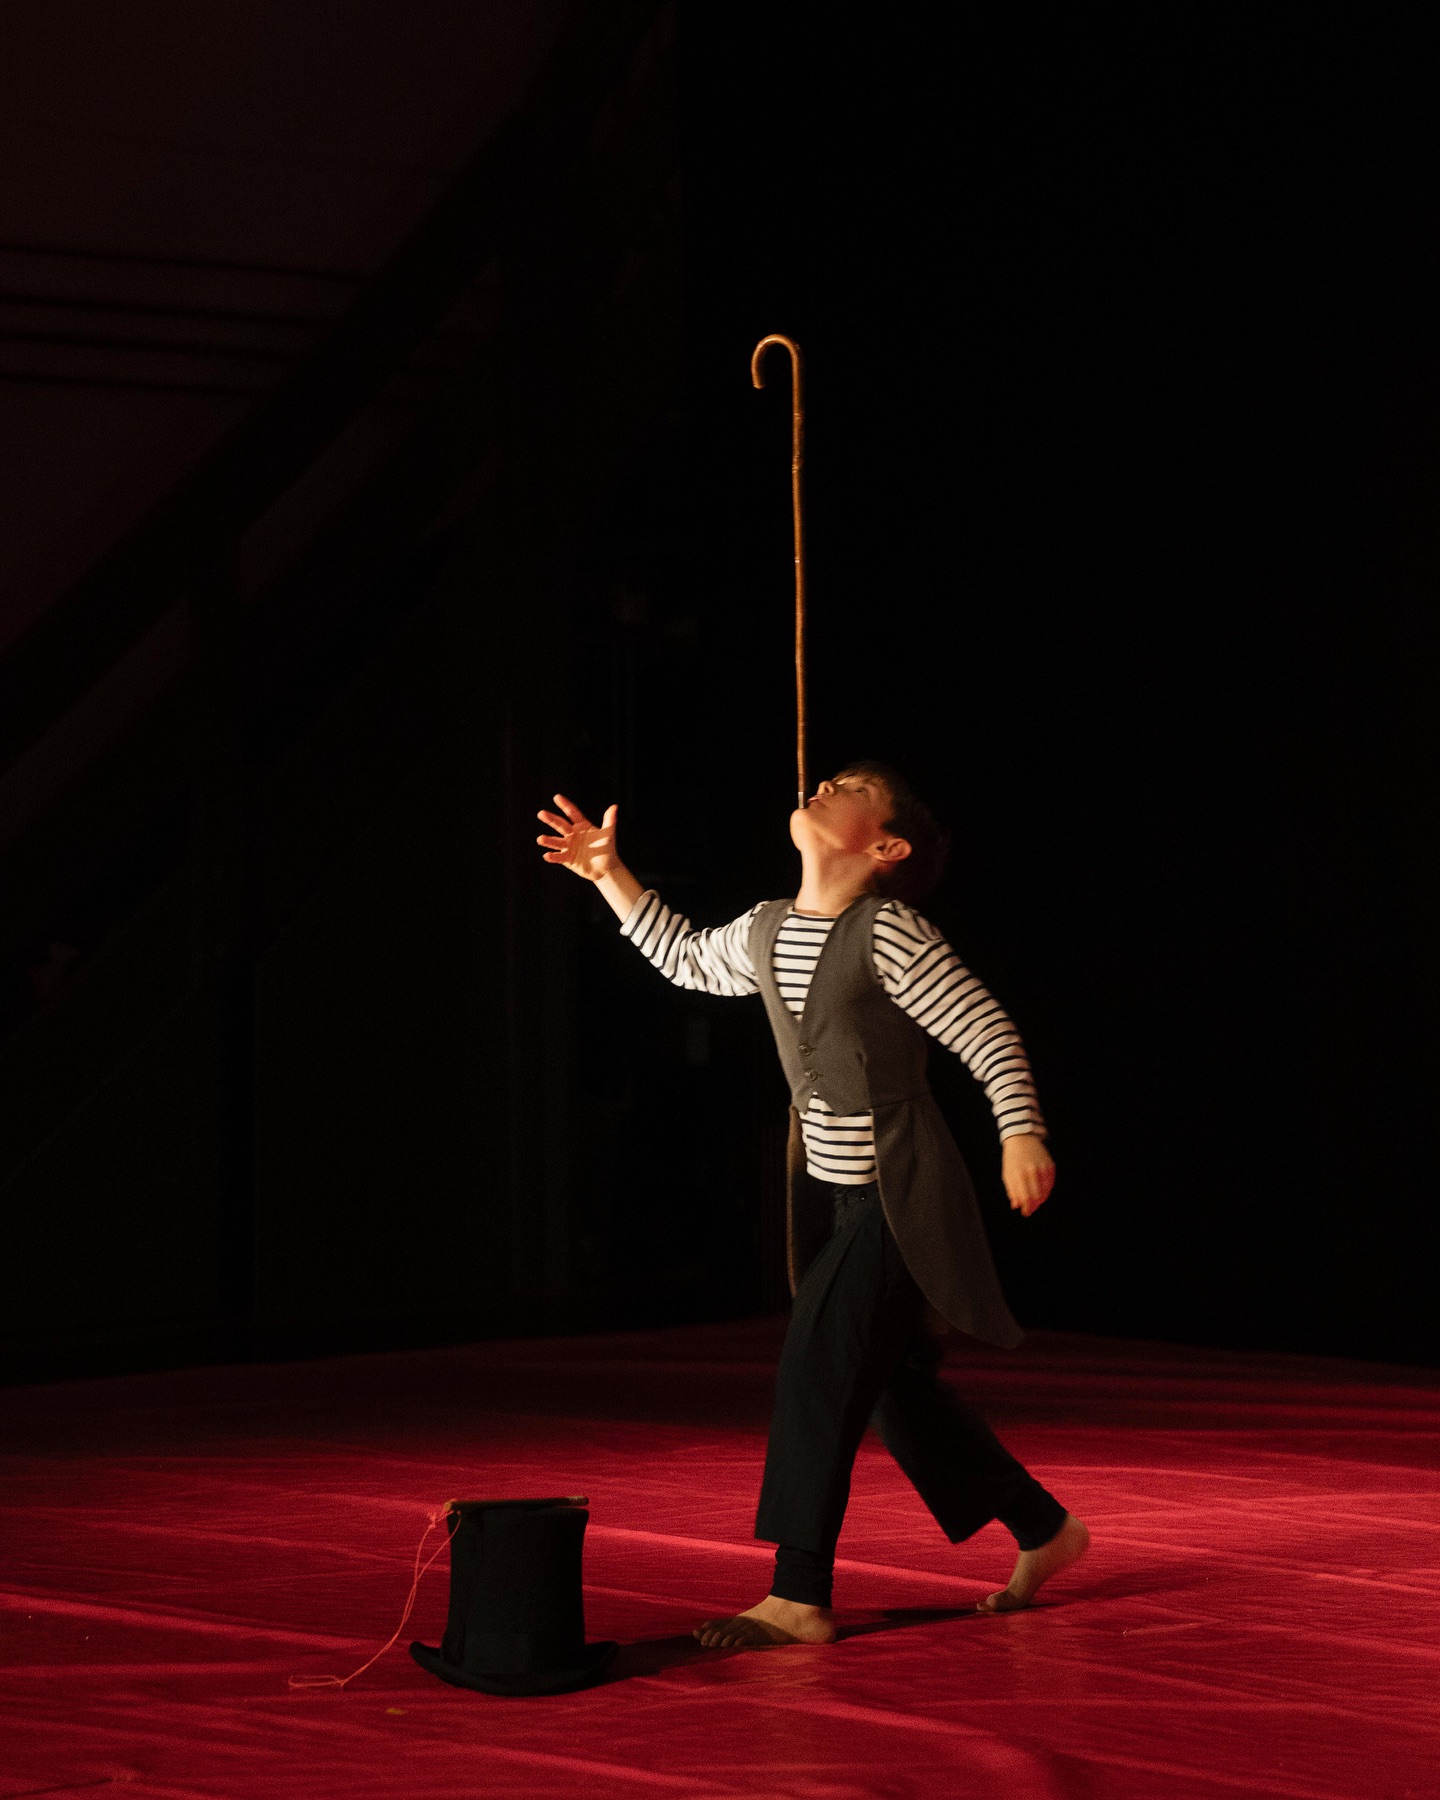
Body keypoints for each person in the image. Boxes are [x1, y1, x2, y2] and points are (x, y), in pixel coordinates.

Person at [537, 763, 1088, 1648]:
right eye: (827, 778)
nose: (826, 785)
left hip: (899, 1198)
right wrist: (609, 873)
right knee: (892, 1389)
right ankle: (1043, 1526)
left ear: (887, 847)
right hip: (831, 1195)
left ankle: (799, 1594)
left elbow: (986, 1030)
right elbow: (685, 958)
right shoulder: (767, 927)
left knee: (817, 1365)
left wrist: (1021, 1132)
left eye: (852, 788)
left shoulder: (890, 933)